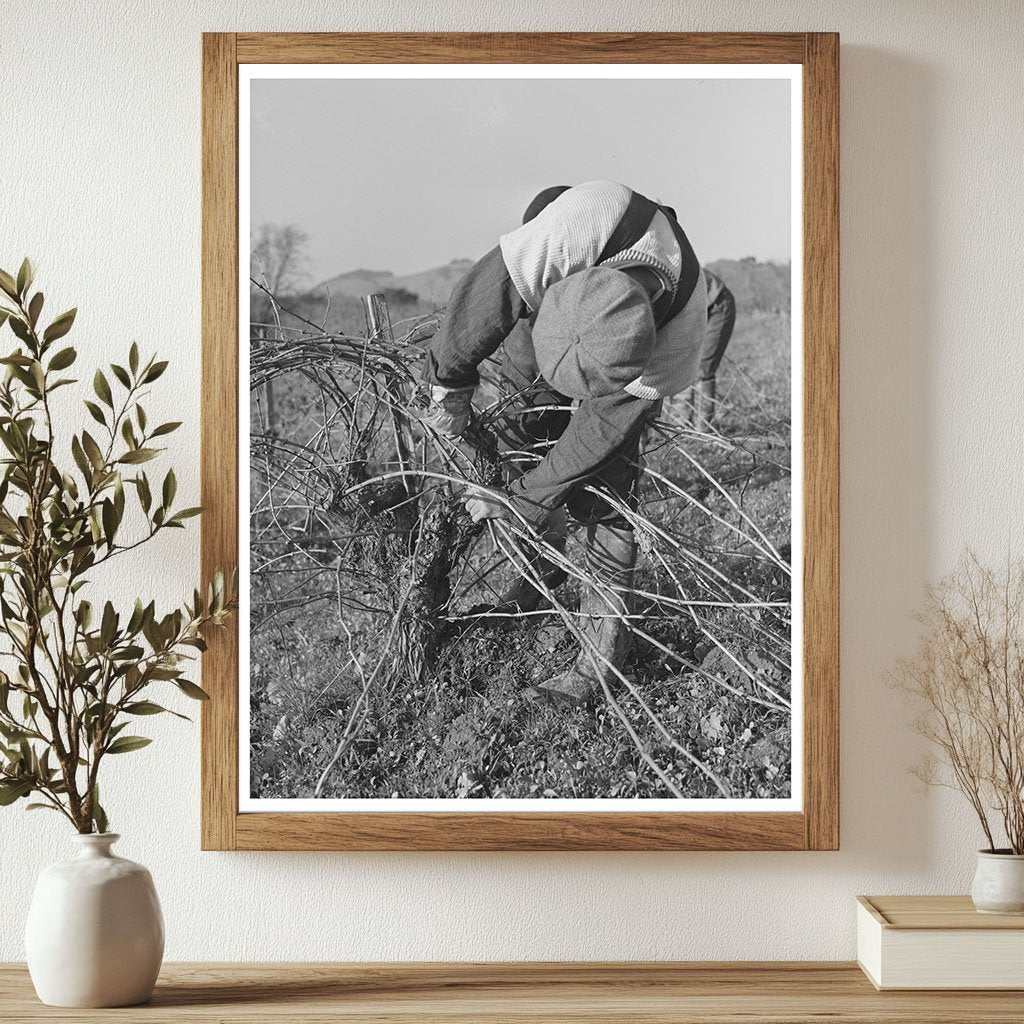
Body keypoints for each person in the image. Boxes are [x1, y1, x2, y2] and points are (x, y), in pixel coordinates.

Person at [423, 180, 707, 705]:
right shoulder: (565, 237)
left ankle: (599, 660)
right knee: (517, 421)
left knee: (607, 490)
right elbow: (479, 303)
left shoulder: (677, 341)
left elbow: (601, 428)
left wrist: (529, 498)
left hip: (623, 372)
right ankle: (540, 574)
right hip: (551, 308)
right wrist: (449, 389)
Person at [686, 268, 736, 428]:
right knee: (681, 366)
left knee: (702, 368)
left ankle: (703, 430)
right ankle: (681, 427)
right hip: (695, 311)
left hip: (717, 304)